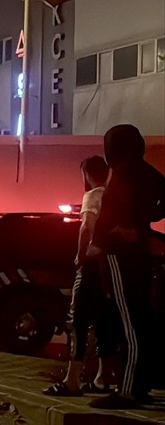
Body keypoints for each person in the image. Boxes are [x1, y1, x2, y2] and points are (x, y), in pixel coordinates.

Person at [89, 124, 165, 409]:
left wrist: (116, 232)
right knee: (140, 318)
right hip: (138, 251)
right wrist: (146, 221)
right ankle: (139, 384)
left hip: (120, 254)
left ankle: (129, 389)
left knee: (130, 321)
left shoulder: (122, 172)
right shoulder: (146, 170)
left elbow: (110, 214)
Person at [45, 156, 120, 396]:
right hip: (109, 267)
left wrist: (79, 257)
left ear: (86, 175)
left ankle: (72, 380)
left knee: (77, 322)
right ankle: (104, 377)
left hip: (90, 266)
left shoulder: (92, 196)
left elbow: (86, 227)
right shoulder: (113, 197)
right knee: (104, 321)